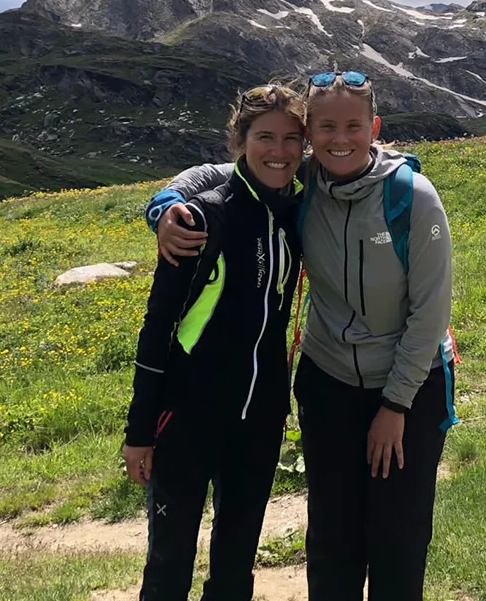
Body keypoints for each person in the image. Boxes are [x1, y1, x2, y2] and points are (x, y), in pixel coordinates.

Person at [148, 71, 456, 601]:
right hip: (328, 382)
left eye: (354, 126)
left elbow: (430, 313)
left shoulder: (413, 197)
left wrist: (395, 405)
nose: (340, 138)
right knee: (332, 537)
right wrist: (164, 205)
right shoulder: (302, 181)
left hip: (409, 390)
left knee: (398, 537)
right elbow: (218, 172)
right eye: (326, 127)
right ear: (311, 134)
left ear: (374, 127)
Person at [123, 84, 305, 601]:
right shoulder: (200, 218)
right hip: (185, 419)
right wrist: (140, 431)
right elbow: (157, 328)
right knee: (169, 562)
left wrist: (401, 163)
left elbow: (356, 161)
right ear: (239, 140)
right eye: (265, 137)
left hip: (262, 414)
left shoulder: (296, 210)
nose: (279, 150)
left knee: (236, 561)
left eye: (292, 138)